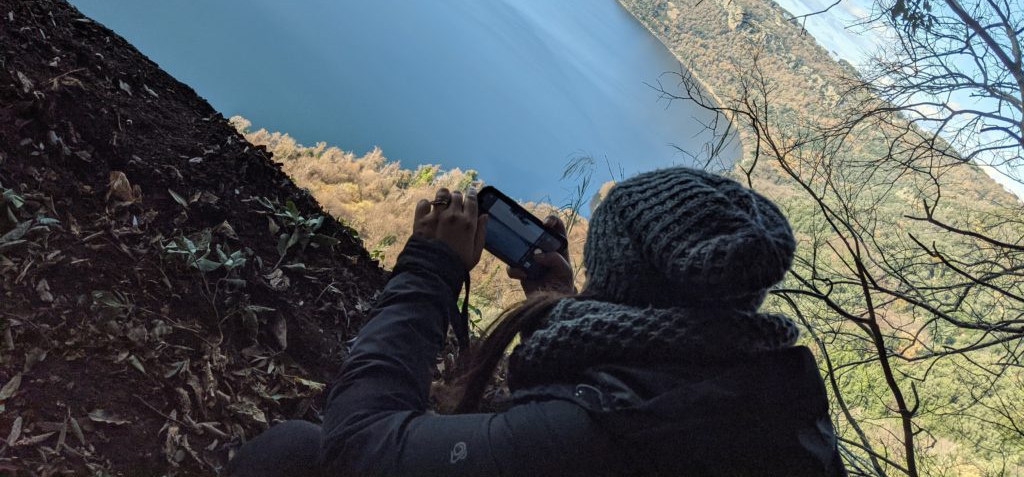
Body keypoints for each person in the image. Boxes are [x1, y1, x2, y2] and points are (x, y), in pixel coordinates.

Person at [228, 167, 846, 476]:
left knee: (290, 453)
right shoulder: (767, 390)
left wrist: (428, 269)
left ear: (624, 281)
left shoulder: (600, 433)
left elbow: (358, 444)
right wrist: (556, 296)